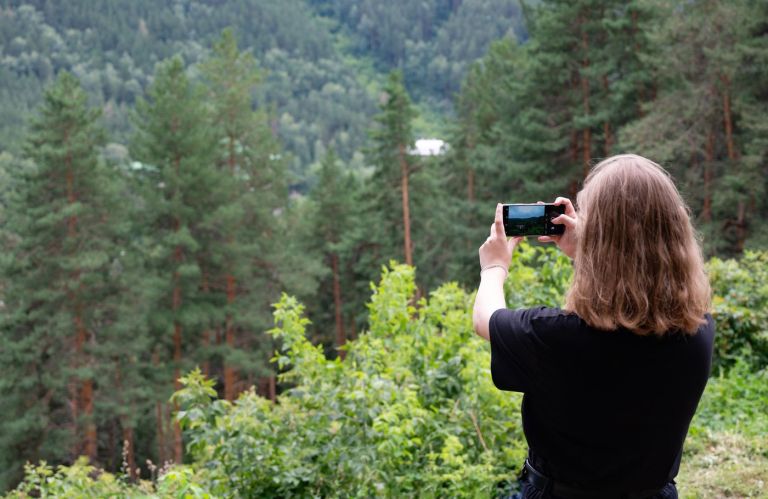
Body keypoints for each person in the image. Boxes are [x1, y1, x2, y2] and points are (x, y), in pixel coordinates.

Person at [472, 154, 714, 499]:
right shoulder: (699, 331)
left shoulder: (559, 339)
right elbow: (635, 290)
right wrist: (585, 252)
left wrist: (494, 268)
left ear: (601, 241)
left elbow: (485, 319)